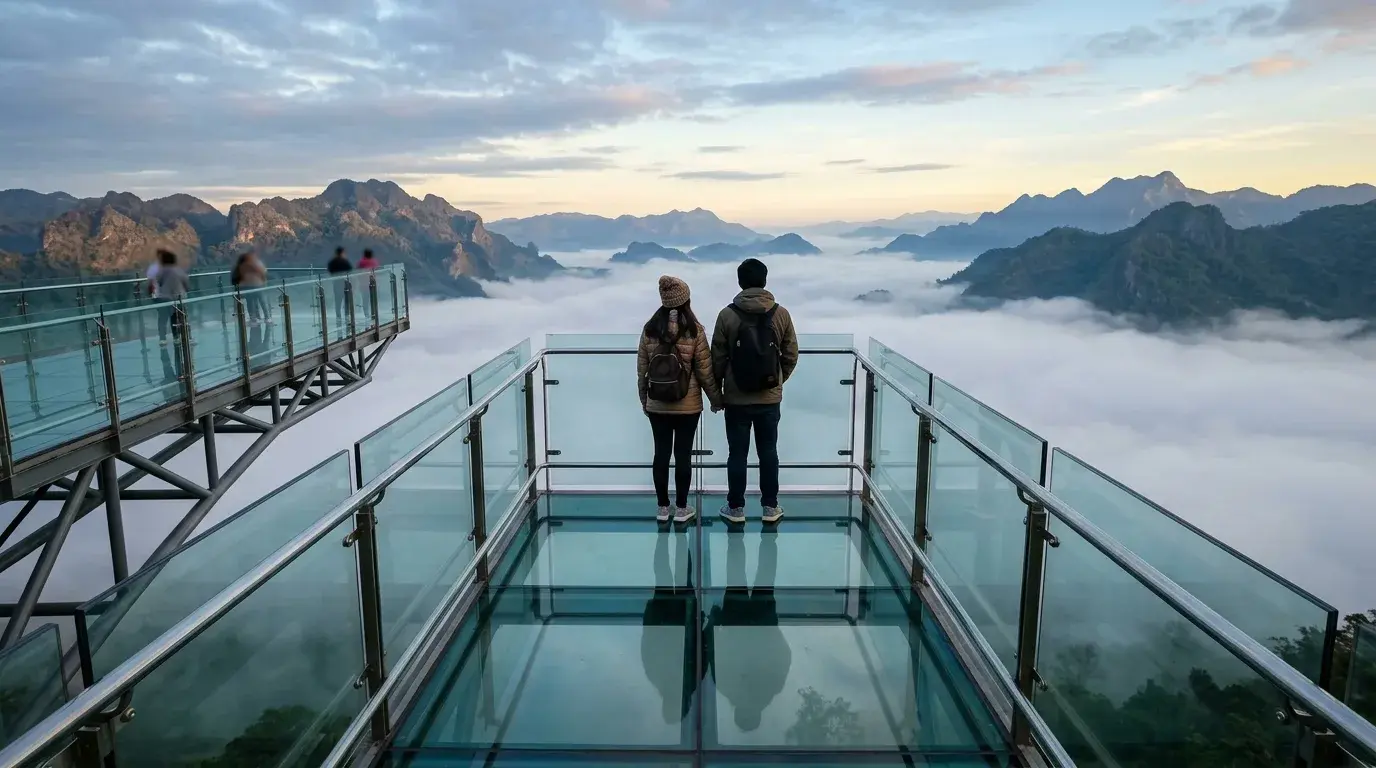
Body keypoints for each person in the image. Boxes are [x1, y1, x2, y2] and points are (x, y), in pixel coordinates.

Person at [710, 258, 798, 525]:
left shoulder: (727, 315)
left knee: (737, 453)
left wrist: (718, 394)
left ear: (740, 282)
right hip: (770, 399)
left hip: (736, 398)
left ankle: (735, 508)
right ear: (765, 280)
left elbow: (717, 358)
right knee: (768, 451)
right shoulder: (781, 314)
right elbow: (791, 354)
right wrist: (776, 381)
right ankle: (770, 507)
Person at [638, 275, 721, 523]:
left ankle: (663, 508)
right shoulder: (694, 331)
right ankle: (682, 508)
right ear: (686, 301)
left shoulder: (649, 329)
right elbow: (705, 371)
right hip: (688, 406)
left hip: (657, 405)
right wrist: (716, 399)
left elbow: (642, 369)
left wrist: (645, 400)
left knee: (661, 454)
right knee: (683, 455)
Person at [152, 249, 189, 346]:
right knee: (180, 318)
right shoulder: (179, 270)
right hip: (178, 298)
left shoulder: (160, 271)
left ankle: (162, 339)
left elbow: (158, 282)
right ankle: (180, 337)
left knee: (163, 319)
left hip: (164, 298)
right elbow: (186, 283)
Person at [232, 251, 270, 324]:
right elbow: (263, 272)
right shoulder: (253, 263)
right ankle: (261, 317)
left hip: (254, 284)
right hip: (252, 285)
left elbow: (263, 272)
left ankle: (258, 317)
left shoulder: (249, 264)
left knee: (256, 301)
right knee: (257, 301)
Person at [327, 246, 352, 325]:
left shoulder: (332, 262)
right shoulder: (344, 261)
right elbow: (350, 269)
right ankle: (347, 316)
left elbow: (330, 270)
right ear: (342, 252)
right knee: (346, 300)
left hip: (336, 282)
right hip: (344, 282)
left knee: (338, 300)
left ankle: (338, 316)